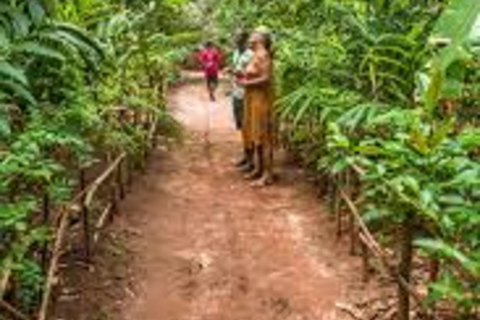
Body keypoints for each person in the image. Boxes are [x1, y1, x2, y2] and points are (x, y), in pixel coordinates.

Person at [239, 29, 276, 186]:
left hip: (261, 101)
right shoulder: (255, 55)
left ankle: (268, 175)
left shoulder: (263, 55)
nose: (250, 38)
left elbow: (266, 78)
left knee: (264, 137)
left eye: (253, 35)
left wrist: (246, 83)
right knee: (256, 137)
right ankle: (259, 170)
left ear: (260, 39)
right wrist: (239, 76)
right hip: (252, 100)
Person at [229, 31, 254, 167]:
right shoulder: (235, 53)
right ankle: (246, 156)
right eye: (235, 36)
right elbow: (237, 69)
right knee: (242, 127)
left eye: (238, 36)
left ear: (244, 39)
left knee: (248, 126)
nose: (235, 38)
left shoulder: (251, 55)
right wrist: (232, 71)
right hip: (236, 93)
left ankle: (251, 160)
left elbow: (253, 74)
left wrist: (240, 74)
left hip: (246, 94)